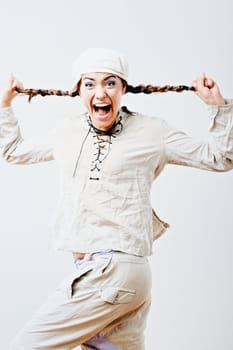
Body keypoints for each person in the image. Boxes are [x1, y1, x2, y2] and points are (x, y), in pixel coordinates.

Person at [0, 48, 232, 350]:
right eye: (89, 84)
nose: (100, 92)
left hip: (113, 270)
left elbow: (221, 157)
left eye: (110, 83)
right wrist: (5, 106)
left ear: (123, 87)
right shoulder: (66, 131)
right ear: (77, 90)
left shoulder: (152, 131)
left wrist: (219, 107)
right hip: (112, 277)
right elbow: (13, 151)